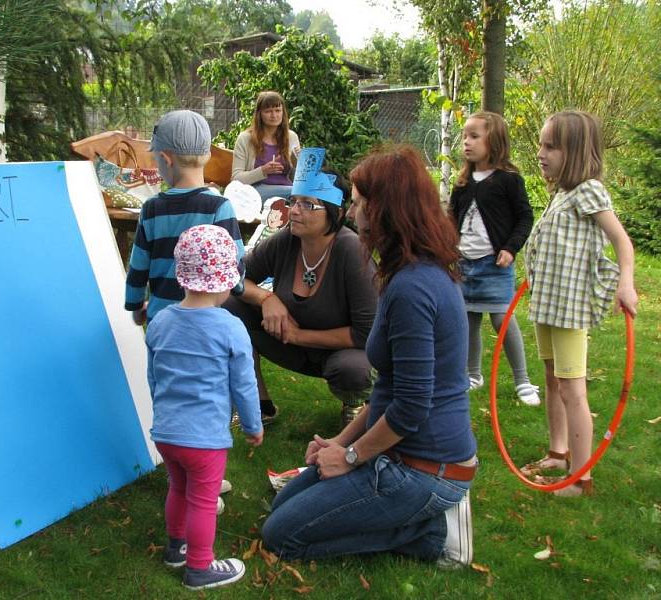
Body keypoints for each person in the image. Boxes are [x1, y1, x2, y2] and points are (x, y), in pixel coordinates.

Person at [261, 146, 477, 568]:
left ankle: (432, 533)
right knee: (283, 504)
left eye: (359, 203)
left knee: (281, 536)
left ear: (384, 211)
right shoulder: (407, 272)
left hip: (426, 468)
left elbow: (412, 406)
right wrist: (339, 442)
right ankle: (414, 518)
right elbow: (390, 391)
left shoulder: (413, 288)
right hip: (399, 452)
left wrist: (352, 456)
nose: (353, 212)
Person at [520, 110, 638, 497]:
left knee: (573, 389)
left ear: (575, 151)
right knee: (552, 381)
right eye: (541, 144)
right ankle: (558, 453)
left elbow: (622, 241)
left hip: (569, 308)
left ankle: (580, 477)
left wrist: (626, 283)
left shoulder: (589, 190)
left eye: (551, 146)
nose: (541, 153)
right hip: (548, 303)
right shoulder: (562, 193)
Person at [223, 148, 377, 426]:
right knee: (228, 306)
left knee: (354, 369)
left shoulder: (351, 251)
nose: (293, 211)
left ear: (335, 212)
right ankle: (259, 404)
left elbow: (367, 333)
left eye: (307, 204)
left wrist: (298, 335)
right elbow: (233, 275)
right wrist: (266, 298)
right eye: (293, 201)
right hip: (289, 345)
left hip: (339, 354)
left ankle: (356, 407)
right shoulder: (286, 240)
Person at [147, 224, 263, 590]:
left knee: (177, 488)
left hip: (167, 433)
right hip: (204, 438)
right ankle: (199, 567)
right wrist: (252, 425)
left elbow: (154, 378)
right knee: (202, 498)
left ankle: (175, 547)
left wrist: (164, 413)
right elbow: (244, 385)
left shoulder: (160, 322)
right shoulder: (230, 328)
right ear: (226, 281)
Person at [450, 111, 540, 406]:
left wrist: (511, 248)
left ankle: (523, 380)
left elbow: (525, 217)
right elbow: (452, 218)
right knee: (468, 321)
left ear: (496, 142)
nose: (466, 142)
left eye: (474, 136)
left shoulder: (508, 181)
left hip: (495, 265)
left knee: (503, 320)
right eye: (465, 136)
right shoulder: (463, 182)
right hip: (465, 265)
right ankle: (472, 375)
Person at [124, 109, 245, 325]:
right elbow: (235, 263)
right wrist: (237, 287)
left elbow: (138, 266)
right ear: (207, 154)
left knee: (159, 360)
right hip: (206, 320)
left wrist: (135, 305)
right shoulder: (219, 207)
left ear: (165, 159)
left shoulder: (151, 209)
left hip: (161, 320)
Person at [231, 91, 301, 201]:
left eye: (278, 110)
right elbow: (236, 179)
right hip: (255, 192)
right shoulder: (245, 138)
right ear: (259, 114)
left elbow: (296, 178)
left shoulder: (291, 137)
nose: (274, 115)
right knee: (299, 194)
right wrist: (263, 171)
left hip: (287, 189)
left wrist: (299, 163)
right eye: (268, 111)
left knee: (314, 192)